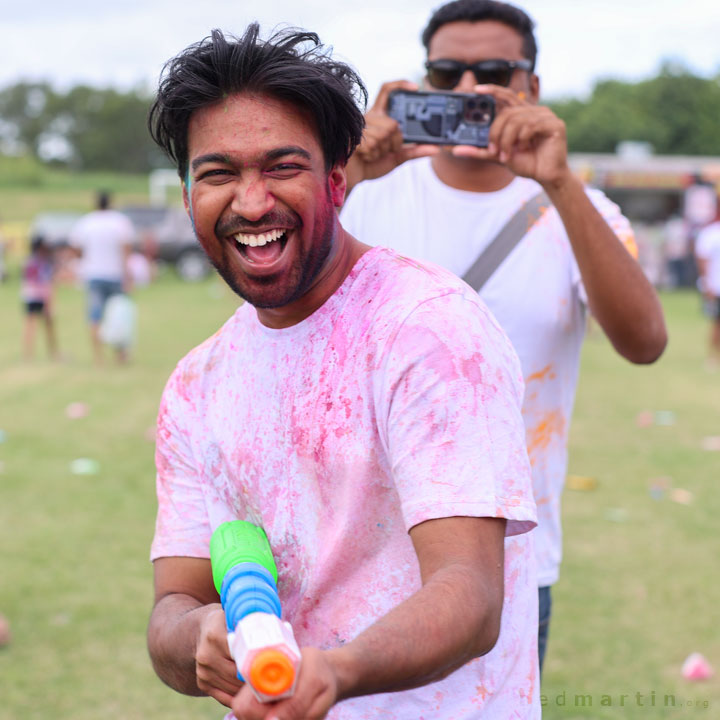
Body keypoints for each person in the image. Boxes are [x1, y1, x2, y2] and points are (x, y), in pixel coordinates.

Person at [147, 24, 540, 720]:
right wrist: (197, 635)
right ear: (186, 196)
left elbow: (471, 592)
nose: (251, 201)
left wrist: (336, 672)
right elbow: (173, 607)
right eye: (218, 174)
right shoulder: (195, 382)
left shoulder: (428, 327)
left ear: (336, 181)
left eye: (281, 167)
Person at [340, 0, 668, 672]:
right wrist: (349, 168)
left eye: (492, 72)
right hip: (351, 547)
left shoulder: (580, 211)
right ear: (421, 84)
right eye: (445, 73)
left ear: (533, 89)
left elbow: (645, 341)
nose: (466, 90)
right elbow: (263, 287)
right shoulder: (366, 193)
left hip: (510, 561)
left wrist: (557, 181)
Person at [69, 191, 135, 364]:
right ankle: (121, 356)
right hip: (116, 275)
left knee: (95, 317)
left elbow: (75, 248)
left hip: (94, 274)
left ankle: (98, 357)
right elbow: (126, 251)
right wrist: (128, 275)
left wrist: (85, 259)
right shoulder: (120, 221)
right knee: (119, 315)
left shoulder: (86, 222)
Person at [21, 235, 59, 361]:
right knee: (36, 324)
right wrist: (50, 299)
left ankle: (32, 353)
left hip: (30, 295)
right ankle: (32, 353)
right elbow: (46, 281)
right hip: (39, 295)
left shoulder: (30, 260)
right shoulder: (41, 262)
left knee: (40, 324)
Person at [695, 214, 720, 367]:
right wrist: (706, 283)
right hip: (716, 286)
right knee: (717, 323)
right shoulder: (711, 233)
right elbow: (702, 259)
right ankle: (713, 357)